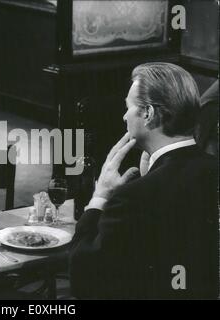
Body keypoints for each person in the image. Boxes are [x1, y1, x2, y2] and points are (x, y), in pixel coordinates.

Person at [69, 63, 218, 299]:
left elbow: (82, 279)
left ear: (148, 114)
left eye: (128, 107)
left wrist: (100, 197)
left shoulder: (132, 196)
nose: (124, 115)